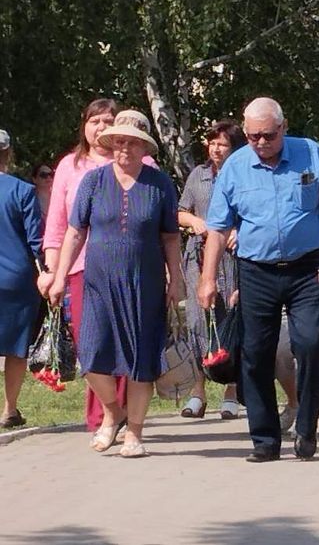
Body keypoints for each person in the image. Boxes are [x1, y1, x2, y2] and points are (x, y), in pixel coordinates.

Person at [199, 97, 319, 463]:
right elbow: (218, 227)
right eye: (253, 136)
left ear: (283, 128)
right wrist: (208, 278)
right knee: (256, 353)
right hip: (256, 271)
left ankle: (306, 428)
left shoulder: (310, 154)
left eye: (268, 136)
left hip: (306, 269)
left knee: (309, 344)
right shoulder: (236, 167)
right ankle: (265, 439)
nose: (260, 143)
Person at [49, 110, 183, 458]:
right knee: (91, 355)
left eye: (133, 143)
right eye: (119, 141)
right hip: (97, 284)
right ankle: (112, 411)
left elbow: (170, 237)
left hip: (145, 284)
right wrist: (59, 276)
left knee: (140, 359)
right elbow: (75, 232)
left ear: (144, 147)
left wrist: (177, 280)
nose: (125, 148)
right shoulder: (93, 182)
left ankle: (134, 433)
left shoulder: (160, 184)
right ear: (111, 144)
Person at [38, 99, 131, 432]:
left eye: (108, 121)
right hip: (78, 267)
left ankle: (118, 415)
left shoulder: (139, 161)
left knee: (124, 340)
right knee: (89, 342)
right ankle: (109, 411)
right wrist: (51, 271)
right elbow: (57, 226)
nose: (101, 128)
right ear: (84, 125)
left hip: (128, 267)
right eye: (95, 121)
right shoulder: (69, 166)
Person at [178, 120, 247, 420]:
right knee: (198, 320)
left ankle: (231, 388)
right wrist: (194, 222)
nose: (216, 148)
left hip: (233, 258)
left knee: (228, 320)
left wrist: (240, 230)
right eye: (212, 142)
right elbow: (180, 211)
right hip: (199, 257)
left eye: (223, 144)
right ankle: (198, 390)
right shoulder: (199, 175)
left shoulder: (245, 174)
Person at [0, 129, 43, 428]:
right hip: (17, 280)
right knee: (16, 348)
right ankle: (9, 409)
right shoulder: (23, 191)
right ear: (8, 154)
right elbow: (36, 241)